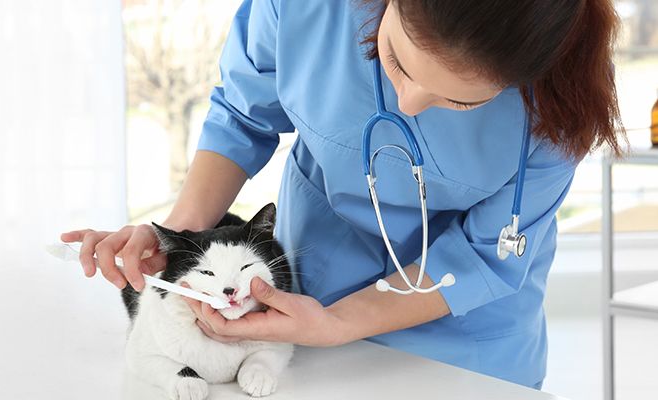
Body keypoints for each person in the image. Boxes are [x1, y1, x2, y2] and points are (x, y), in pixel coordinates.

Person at [61, 0, 623, 389]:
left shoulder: (561, 107)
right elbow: (242, 115)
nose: (408, 102)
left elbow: (486, 254)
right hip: (311, 292)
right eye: (397, 60)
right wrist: (177, 240)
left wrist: (338, 324)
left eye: (462, 102)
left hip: (470, 339)